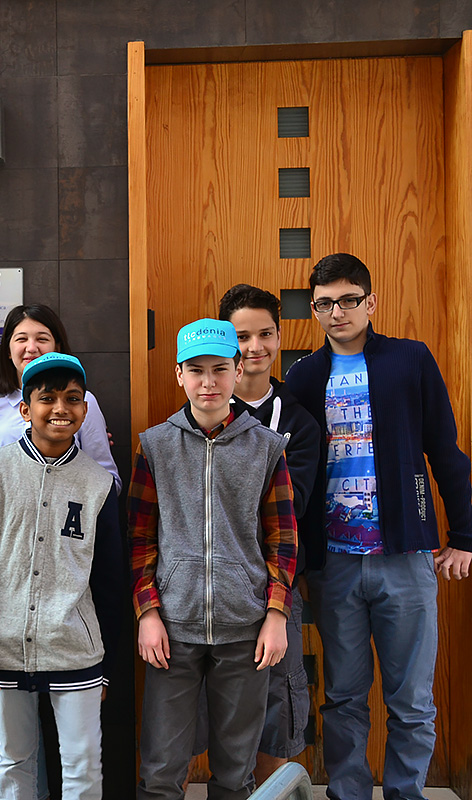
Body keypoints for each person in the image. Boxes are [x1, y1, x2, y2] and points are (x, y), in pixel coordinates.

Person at [284, 253, 472, 800]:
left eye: (348, 300)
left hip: (405, 556)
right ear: (314, 309)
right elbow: (293, 472)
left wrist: (464, 536)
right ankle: (347, 793)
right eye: (324, 303)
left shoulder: (410, 360)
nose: (337, 312)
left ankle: (405, 792)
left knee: (411, 701)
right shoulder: (305, 375)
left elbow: (445, 451)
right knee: (343, 697)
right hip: (334, 563)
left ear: (370, 302)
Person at [130, 318, 297, 800]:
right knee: (161, 769)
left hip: (246, 629)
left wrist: (276, 614)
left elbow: (283, 539)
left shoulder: (267, 447)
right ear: (179, 374)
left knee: (235, 771)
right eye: (196, 370)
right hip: (173, 629)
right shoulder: (155, 445)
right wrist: (148, 613)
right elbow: (140, 538)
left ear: (238, 370)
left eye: (220, 369)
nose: (209, 382)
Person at [0, 352, 127, 800]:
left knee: (83, 765)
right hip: (4, 648)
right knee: (14, 762)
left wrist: (108, 667)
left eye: (72, 398)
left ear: (85, 409)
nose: (60, 408)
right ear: (25, 409)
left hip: (75, 649)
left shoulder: (98, 484)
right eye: (47, 398)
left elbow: (110, 583)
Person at [209, 284, 320, 784]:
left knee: (279, 702)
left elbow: (292, 505)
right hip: (211, 584)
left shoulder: (298, 420)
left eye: (266, 334)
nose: (255, 347)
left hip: (277, 581)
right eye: (242, 336)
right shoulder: (205, 408)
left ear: (279, 336)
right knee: (216, 703)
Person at [0, 304, 120, 489]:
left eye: (42, 339)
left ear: (57, 346)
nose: (31, 348)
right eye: (21, 339)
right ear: (8, 350)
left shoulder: (82, 401)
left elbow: (107, 479)